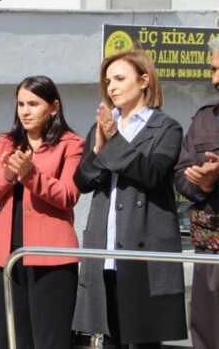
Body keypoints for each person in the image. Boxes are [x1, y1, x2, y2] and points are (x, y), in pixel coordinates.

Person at [72, 49, 187, 347]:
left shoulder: (167, 127)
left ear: (144, 80)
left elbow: (152, 173)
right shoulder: (102, 126)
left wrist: (113, 142)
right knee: (110, 339)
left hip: (144, 252)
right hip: (105, 250)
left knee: (144, 340)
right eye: (108, 81)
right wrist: (98, 149)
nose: (112, 87)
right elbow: (82, 181)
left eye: (120, 78)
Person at [0, 75, 83, 349]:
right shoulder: (6, 142)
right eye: (21, 104)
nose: (25, 111)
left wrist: (30, 175)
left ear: (54, 107)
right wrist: (7, 175)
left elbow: (69, 195)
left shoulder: (71, 144)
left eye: (33, 104)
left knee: (49, 341)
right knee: (6, 340)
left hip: (52, 260)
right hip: (5, 259)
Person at [173, 36, 219, 349]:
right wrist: (205, 184)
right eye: (213, 70)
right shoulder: (204, 118)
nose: (215, 79)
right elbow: (180, 174)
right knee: (207, 333)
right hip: (211, 249)